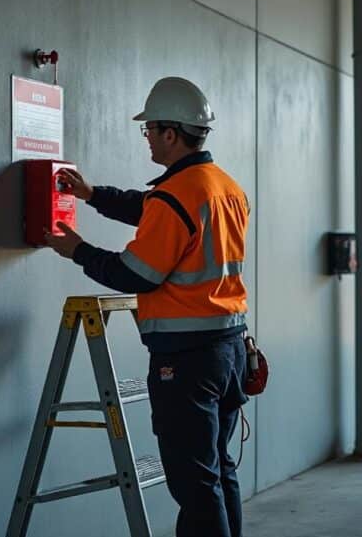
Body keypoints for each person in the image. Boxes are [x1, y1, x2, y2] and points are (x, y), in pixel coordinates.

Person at [44, 77, 249, 537]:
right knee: (218, 469)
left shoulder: (177, 195)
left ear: (171, 133)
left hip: (188, 359)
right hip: (229, 349)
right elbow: (152, 208)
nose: (148, 138)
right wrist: (93, 194)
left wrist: (76, 250)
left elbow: (135, 274)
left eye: (150, 130)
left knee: (195, 485)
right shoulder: (224, 187)